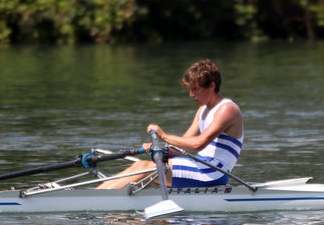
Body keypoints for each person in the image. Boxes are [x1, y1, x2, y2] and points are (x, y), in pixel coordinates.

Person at [97, 59, 243, 189]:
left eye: (195, 89)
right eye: (189, 89)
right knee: (139, 166)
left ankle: (94, 201)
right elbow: (180, 147)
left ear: (212, 86)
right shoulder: (202, 110)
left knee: (144, 168)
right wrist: (159, 150)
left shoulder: (227, 109)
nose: (191, 95)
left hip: (213, 172)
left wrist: (164, 135)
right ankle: (101, 198)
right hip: (201, 165)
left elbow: (198, 144)